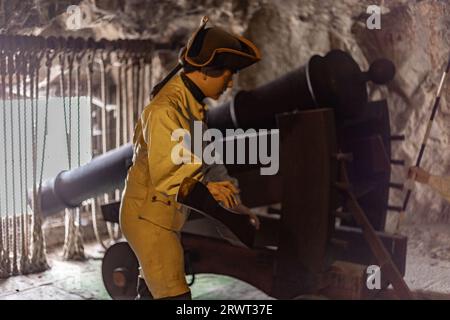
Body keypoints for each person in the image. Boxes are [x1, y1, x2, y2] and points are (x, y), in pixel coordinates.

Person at [119, 17, 261, 300]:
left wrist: (235, 205)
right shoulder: (164, 111)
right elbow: (170, 175)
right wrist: (211, 193)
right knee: (176, 297)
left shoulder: (192, 104)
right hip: (148, 217)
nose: (230, 84)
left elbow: (207, 159)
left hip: (165, 215)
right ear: (206, 72)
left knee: (151, 291)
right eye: (227, 75)